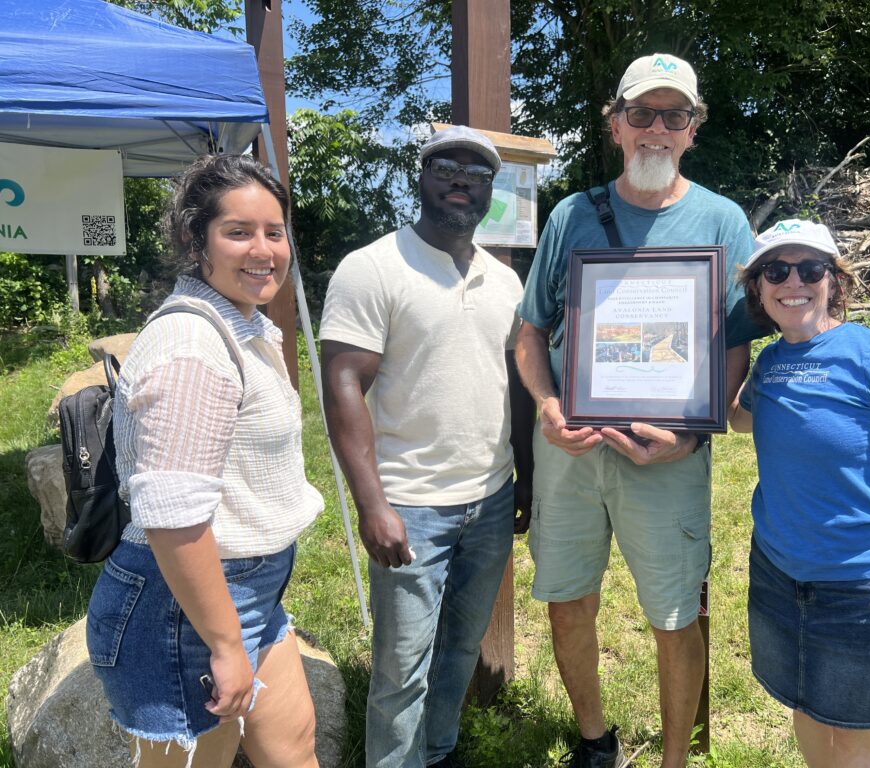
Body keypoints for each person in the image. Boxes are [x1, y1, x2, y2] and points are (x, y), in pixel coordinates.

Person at [515, 53, 767, 768]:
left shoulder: (722, 219)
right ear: (616, 125)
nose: (657, 128)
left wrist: (693, 434)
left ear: (693, 129)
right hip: (571, 450)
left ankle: (675, 761)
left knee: (674, 612)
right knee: (567, 599)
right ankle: (595, 741)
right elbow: (530, 330)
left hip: (669, 452)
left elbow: (734, 346)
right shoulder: (571, 215)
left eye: (674, 115)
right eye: (641, 114)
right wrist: (545, 403)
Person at [86, 154, 325, 768]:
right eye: (238, 232)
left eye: (275, 232)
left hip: (251, 592)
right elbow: (172, 517)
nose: (263, 249)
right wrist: (224, 643)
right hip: (184, 607)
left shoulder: (243, 326)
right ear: (198, 242)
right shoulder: (191, 345)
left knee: (293, 752)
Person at [320, 125, 533, 768]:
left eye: (478, 172)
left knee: (459, 652)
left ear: (491, 191)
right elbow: (343, 382)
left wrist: (525, 479)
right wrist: (373, 505)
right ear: (421, 176)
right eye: (448, 166)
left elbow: (515, 390)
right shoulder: (374, 267)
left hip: (490, 499)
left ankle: (436, 754)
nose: (463, 179)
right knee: (400, 670)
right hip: (410, 502)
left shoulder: (504, 281)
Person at [729, 219, 870, 768]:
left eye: (810, 268)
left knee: (852, 729)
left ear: (834, 281)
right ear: (758, 288)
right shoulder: (771, 363)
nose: (792, 281)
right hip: (777, 571)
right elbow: (737, 419)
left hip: (859, 586)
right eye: (776, 270)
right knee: (803, 704)